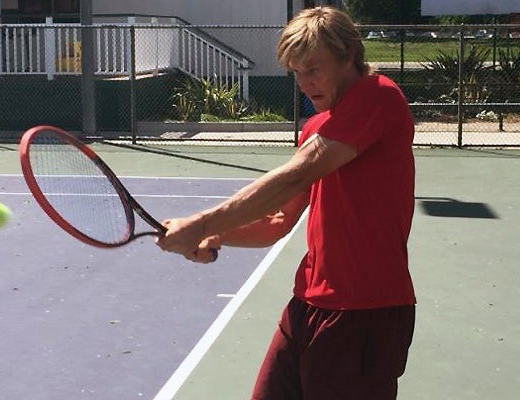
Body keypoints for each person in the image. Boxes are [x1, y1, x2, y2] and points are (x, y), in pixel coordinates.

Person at [156, 6, 416, 400]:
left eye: (314, 68)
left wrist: (202, 223)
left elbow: (295, 175)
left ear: (348, 56)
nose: (304, 83)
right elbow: (279, 220)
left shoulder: (378, 97)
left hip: (365, 311)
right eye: (296, 72)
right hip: (307, 304)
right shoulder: (316, 126)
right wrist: (218, 235)